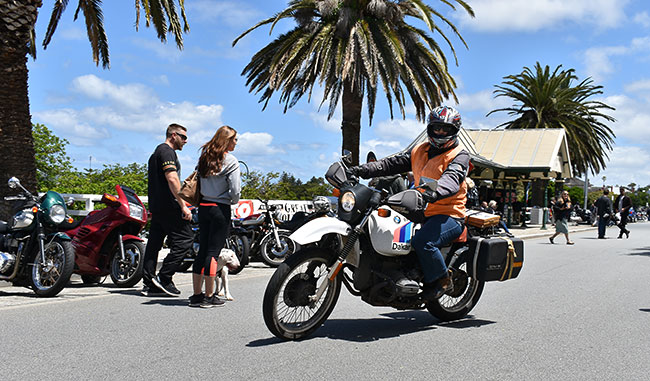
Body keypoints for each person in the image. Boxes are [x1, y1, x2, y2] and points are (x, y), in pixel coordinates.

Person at [347, 105, 468, 301]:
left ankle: (442, 281)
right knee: (380, 224)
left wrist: (433, 193)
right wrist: (360, 170)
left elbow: (451, 180)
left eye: (445, 129)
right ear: (430, 128)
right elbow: (390, 164)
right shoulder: (419, 150)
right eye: (436, 128)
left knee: (424, 242)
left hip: (449, 213)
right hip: (421, 208)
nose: (440, 133)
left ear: (454, 131)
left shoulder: (459, 155)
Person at [189, 126, 241, 308]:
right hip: (220, 208)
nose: (236, 142)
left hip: (203, 208)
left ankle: (196, 295)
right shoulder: (232, 161)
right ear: (226, 140)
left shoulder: (205, 158)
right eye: (234, 139)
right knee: (213, 252)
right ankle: (209, 296)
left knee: (202, 250)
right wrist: (232, 200)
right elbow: (235, 190)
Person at [143, 123, 193, 297]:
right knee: (186, 239)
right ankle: (164, 278)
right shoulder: (166, 151)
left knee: (154, 245)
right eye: (183, 137)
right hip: (169, 206)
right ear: (173, 135)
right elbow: (172, 178)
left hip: (157, 206)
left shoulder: (156, 153)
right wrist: (183, 205)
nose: (186, 141)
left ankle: (149, 284)